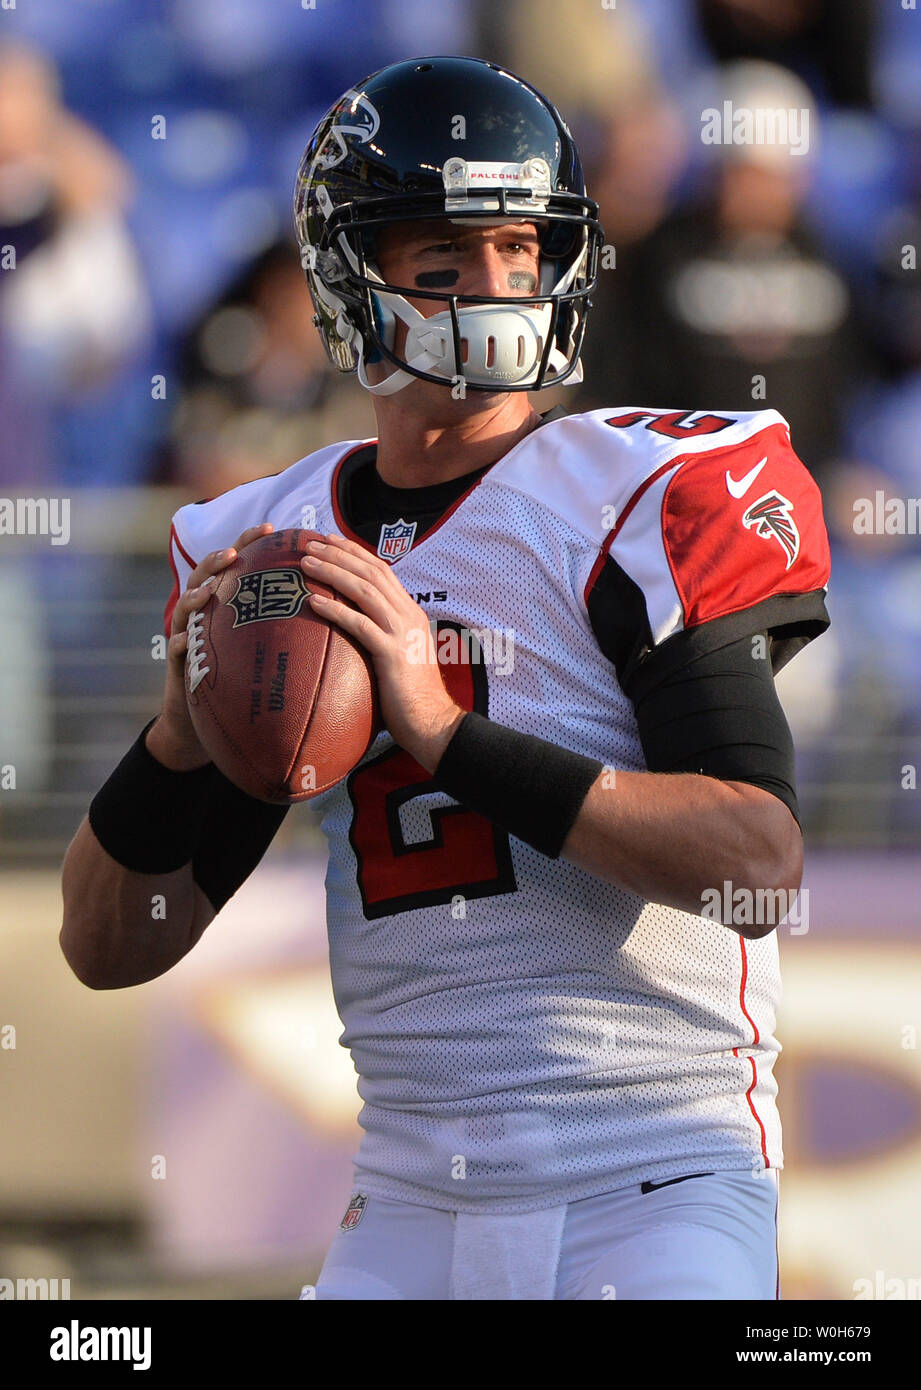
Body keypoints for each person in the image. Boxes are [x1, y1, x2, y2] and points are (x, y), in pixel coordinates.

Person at [60, 56, 831, 1300]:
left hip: (655, 1180)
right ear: (347, 276)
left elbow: (756, 868)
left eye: (522, 250)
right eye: (446, 260)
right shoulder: (272, 548)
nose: (496, 288)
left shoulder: (634, 496)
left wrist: (438, 727)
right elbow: (105, 945)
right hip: (409, 1198)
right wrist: (180, 736)